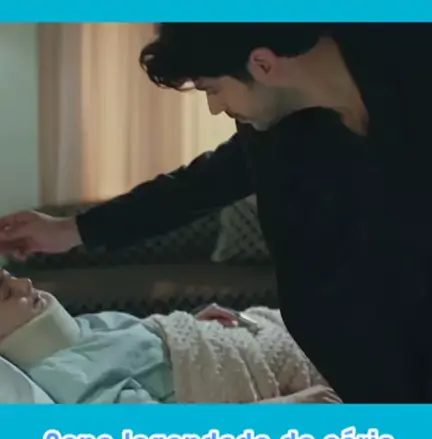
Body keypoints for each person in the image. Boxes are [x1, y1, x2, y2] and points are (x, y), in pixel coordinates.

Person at [0, 24, 429, 403]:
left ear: (263, 64)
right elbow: (198, 185)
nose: (215, 108)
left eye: (211, 89)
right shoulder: (276, 130)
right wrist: (73, 229)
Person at [0, 270, 339, 404]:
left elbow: (138, 346)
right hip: (274, 372)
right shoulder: (69, 379)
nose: (24, 283)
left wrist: (188, 326)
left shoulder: (80, 328)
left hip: (241, 333)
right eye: (4, 292)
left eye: (11, 275)